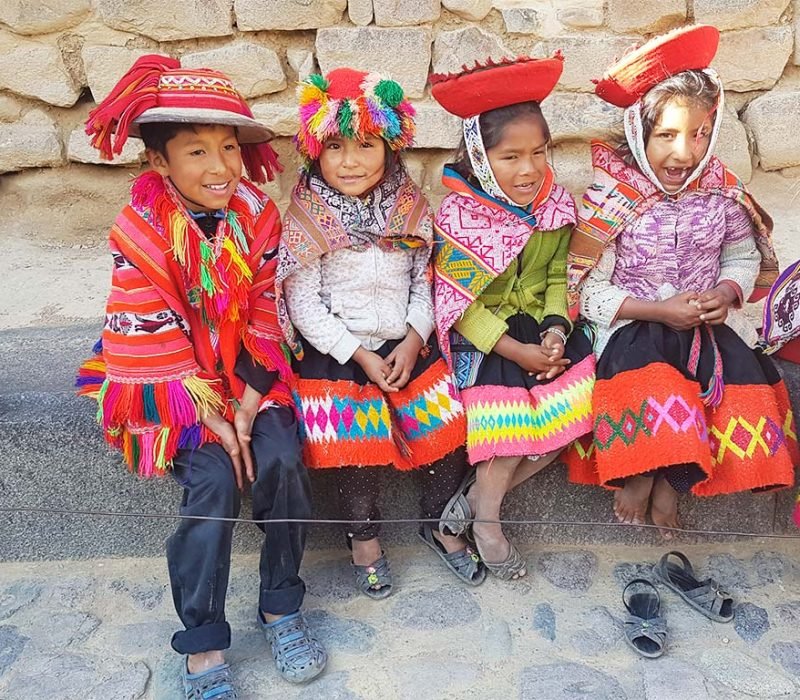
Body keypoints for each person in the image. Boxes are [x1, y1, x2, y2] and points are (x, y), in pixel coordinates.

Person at [76, 55, 326, 698]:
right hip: (169, 385)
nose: (221, 168)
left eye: (228, 148)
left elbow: (268, 311)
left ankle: (280, 603)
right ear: (160, 162)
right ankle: (203, 642)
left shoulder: (258, 215)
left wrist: (244, 408)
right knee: (213, 479)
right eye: (196, 152)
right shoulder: (140, 231)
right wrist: (213, 418)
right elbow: (148, 336)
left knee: (280, 457)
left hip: (246, 376)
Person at [565, 25, 798, 536]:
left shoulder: (721, 193)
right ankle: (640, 475)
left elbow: (740, 254)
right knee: (650, 376)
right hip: (631, 326)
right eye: (666, 136)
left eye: (697, 135)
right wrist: (657, 310)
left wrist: (726, 292)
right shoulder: (611, 199)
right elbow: (586, 287)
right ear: (639, 133)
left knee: (744, 377)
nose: (683, 153)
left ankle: (673, 483)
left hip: (699, 325)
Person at [277, 67, 485, 599]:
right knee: (358, 448)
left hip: (405, 342)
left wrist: (415, 339)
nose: (350, 160)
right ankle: (363, 540)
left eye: (366, 144)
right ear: (312, 153)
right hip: (339, 352)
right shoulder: (307, 218)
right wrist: (358, 354)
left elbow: (428, 280)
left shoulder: (409, 209)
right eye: (335, 147)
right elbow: (302, 301)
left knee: (446, 431)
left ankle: (440, 523)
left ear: (391, 148)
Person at [430, 54, 596, 581]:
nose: (528, 170)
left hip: (538, 332)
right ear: (481, 157)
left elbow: (554, 278)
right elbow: (460, 305)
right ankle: (489, 524)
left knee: (572, 418)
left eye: (538, 153)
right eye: (510, 157)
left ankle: (469, 506)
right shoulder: (458, 216)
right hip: (487, 340)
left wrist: (554, 329)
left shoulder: (554, 209)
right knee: (510, 429)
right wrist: (516, 349)